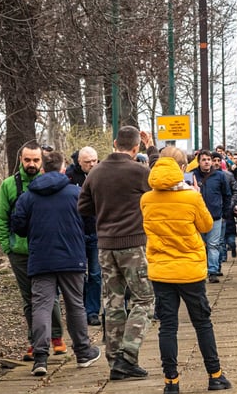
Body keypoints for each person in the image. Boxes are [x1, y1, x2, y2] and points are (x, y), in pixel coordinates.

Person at [140, 147, 231, 394]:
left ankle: (171, 381)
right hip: (190, 270)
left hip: (161, 271)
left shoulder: (146, 199)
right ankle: (215, 376)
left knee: (167, 326)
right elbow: (206, 224)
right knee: (202, 323)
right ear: (182, 169)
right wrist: (196, 195)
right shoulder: (191, 197)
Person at [11, 151, 101, 376]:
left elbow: (18, 226)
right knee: (75, 305)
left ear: (42, 169)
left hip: (41, 259)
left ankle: (40, 357)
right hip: (72, 258)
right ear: (63, 169)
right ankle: (82, 352)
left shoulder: (28, 196)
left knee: (41, 306)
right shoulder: (76, 193)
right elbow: (91, 223)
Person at [78, 126, 156, 380]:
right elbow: (162, 179)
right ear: (136, 148)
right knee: (144, 299)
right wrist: (152, 149)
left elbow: (83, 207)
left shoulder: (96, 172)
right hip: (133, 245)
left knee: (112, 302)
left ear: (114, 143)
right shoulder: (138, 171)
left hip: (105, 246)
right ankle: (128, 355)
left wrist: (105, 213)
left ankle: (114, 362)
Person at [0, 140, 66, 361]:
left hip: (45, 250)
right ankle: (35, 341)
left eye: (36, 160)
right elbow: (1, 218)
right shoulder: (9, 185)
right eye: (27, 160)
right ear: (20, 160)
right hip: (20, 252)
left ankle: (55, 336)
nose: (31, 164)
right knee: (29, 300)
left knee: (49, 297)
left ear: (42, 161)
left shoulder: (50, 183)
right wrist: (8, 246)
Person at [65, 146, 102, 326]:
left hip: (96, 230)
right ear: (79, 162)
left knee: (95, 273)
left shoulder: (102, 173)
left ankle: (93, 311)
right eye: (88, 162)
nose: (92, 164)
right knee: (80, 274)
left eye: (95, 161)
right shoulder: (69, 177)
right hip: (77, 232)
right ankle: (80, 310)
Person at [190, 150, 231, 283]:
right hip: (197, 217)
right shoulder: (192, 176)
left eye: (209, 159)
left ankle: (212, 271)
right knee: (200, 245)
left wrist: (225, 212)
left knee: (213, 244)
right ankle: (202, 270)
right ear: (199, 161)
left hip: (215, 215)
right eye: (204, 159)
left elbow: (226, 195)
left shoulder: (219, 176)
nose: (207, 162)